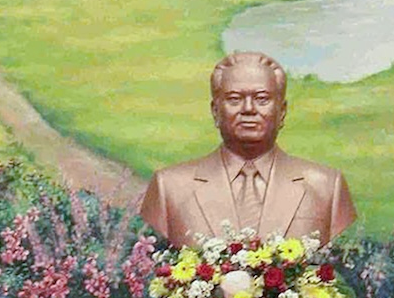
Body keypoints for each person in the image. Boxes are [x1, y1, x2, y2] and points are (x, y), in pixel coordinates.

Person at [139, 51, 356, 247]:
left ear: (282, 111)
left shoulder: (326, 187)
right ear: (215, 111)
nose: (249, 109)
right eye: (234, 99)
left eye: (262, 99)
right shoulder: (169, 188)